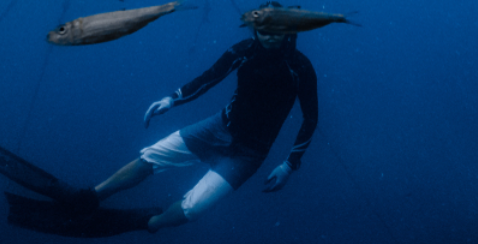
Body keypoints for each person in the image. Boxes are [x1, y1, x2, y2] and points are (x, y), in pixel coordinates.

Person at [88, 25, 319, 232]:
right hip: (217, 128)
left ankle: (145, 223)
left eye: (276, 31)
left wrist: (289, 165)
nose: (270, 37)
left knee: (193, 209)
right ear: (255, 30)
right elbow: (210, 77)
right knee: (150, 157)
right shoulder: (245, 50)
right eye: (264, 31)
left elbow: (311, 118)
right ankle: (90, 197)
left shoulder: (301, 67)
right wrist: (172, 99)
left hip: (250, 154)